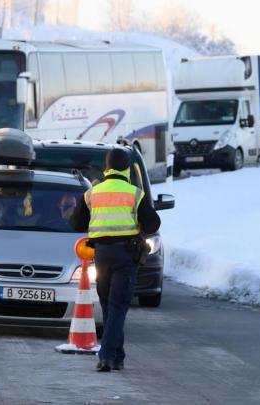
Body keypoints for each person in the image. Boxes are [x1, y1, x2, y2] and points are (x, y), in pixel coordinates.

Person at [70, 148, 160, 372]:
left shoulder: (92, 193)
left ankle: (117, 355)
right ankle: (107, 356)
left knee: (109, 304)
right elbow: (153, 225)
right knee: (118, 305)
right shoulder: (134, 193)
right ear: (127, 169)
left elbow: (76, 223)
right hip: (125, 256)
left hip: (101, 255)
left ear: (106, 168)